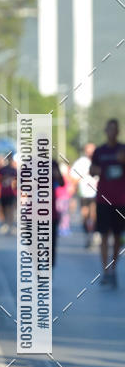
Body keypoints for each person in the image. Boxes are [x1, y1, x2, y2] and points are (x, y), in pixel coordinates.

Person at [90, 119, 125, 287]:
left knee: (117, 236)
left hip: (120, 200)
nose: (111, 132)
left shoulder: (123, 149)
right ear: (106, 131)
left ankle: (113, 269)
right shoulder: (99, 151)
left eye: (114, 129)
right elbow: (92, 170)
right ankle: (105, 271)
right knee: (104, 235)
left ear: (118, 131)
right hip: (103, 199)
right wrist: (97, 170)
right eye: (109, 129)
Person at [70, 143, 97, 247]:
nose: (91, 153)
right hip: (84, 193)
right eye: (89, 151)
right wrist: (79, 179)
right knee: (85, 215)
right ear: (85, 151)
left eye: (93, 151)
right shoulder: (81, 162)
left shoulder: (98, 160)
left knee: (94, 215)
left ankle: (94, 234)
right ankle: (87, 234)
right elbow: (73, 177)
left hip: (96, 193)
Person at [0, 153, 17, 233]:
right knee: (4, 208)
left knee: (11, 209)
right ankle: (5, 223)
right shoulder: (2, 170)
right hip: (3, 193)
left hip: (12, 193)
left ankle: (10, 224)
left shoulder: (14, 170)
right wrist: (3, 178)